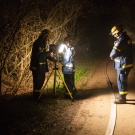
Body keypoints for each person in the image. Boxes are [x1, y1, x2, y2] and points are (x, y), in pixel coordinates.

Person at [30, 29, 56, 100]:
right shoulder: (39, 43)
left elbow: (45, 55)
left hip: (40, 67)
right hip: (37, 67)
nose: (48, 38)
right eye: (48, 37)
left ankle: (37, 96)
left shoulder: (42, 42)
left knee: (40, 81)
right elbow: (40, 55)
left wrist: (53, 59)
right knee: (38, 82)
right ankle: (36, 97)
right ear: (45, 35)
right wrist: (49, 52)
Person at [109, 24, 133, 104]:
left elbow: (115, 51)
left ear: (118, 32)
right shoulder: (126, 37)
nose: (114, 36)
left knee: (121, 80)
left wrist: (111, 56)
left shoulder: (121, 40)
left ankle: (122, 99)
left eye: (114, 34)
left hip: (123, 63)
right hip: (126, 62)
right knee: (122, 80)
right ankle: (122, 97)